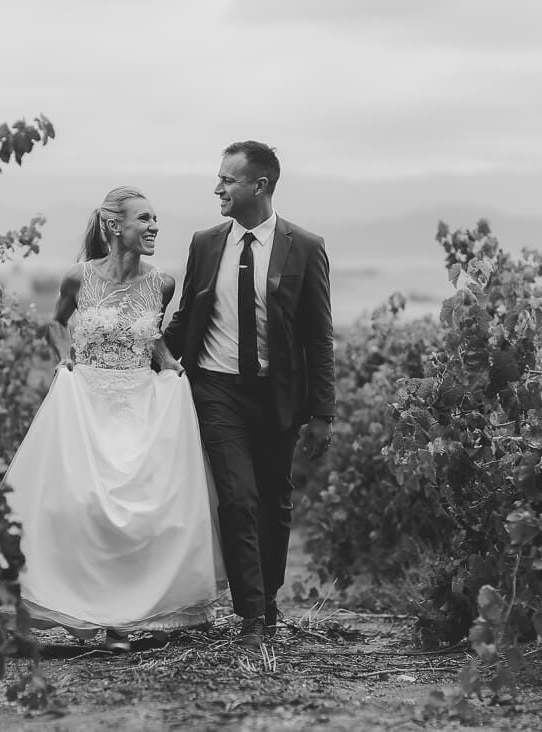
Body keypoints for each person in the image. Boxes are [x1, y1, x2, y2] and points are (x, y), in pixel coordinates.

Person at [3, 186, 226, 653]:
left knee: (144, 513)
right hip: (87, 399)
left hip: (140, 402)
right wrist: (65, 358)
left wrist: (168, 362)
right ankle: (83, 612)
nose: (154, 227)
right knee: (79, 505)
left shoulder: (161, 283)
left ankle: (125, 621)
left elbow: (152, 338)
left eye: (155, 219)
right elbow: (56, 322)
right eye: (144, 219)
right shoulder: (78, 278)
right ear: (114, 225)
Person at [164, 141, 336, 649]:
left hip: (277, 395)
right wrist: (136, 351)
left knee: (274, 503)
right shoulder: (205, 243)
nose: (217, 187)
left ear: (259, 186)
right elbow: (184, 321)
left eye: (227, 179)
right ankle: (251, 615)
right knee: (238, 498)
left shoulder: (304, 246)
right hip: (216, 390)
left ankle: (269, 598)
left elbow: (318, 334)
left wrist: (323, 411)